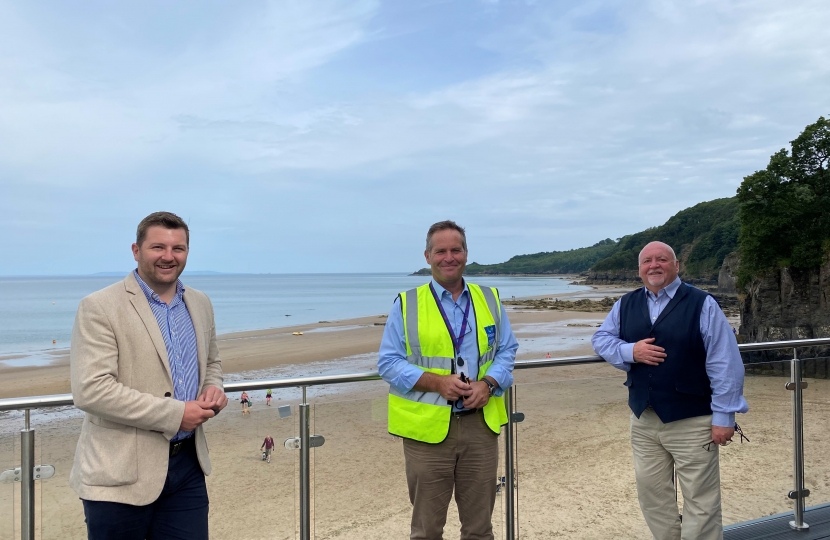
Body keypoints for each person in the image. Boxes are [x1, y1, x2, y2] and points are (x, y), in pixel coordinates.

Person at [69, 211, 228, 540]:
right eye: (158, 247)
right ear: (136, 250)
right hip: (120, 473)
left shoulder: (200, 303)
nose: (168, 257)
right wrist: (177, 414)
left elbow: (211, 361)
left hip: (187, 468)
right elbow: (91, 390)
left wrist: (213, 388)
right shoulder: (100, 306)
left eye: (178, 248)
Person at [592, 241, 748, 540]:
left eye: (662, 259)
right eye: (647, 261)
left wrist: (724, 416)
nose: (654, 265)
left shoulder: (703, 304)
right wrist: (630, 351)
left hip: (693, 419)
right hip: (644, 419)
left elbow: (725, 362)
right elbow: (601, 338)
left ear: (676, 266)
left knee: (701, 501)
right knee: (652, 497)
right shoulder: (626, 304)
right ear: (639, 270)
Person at [378, 220, 518, 540]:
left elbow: (507, 350)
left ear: (466, 254)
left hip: (481, 426)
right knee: (427, 531)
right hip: (427, 433)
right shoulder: (407, 303)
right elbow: (388, 363)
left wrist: (489, 384)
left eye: (456, 250)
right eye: (440, 251)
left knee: (480, 529)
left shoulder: (490, 298)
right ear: (427, 256)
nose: (449, 257)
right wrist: (437, 382)